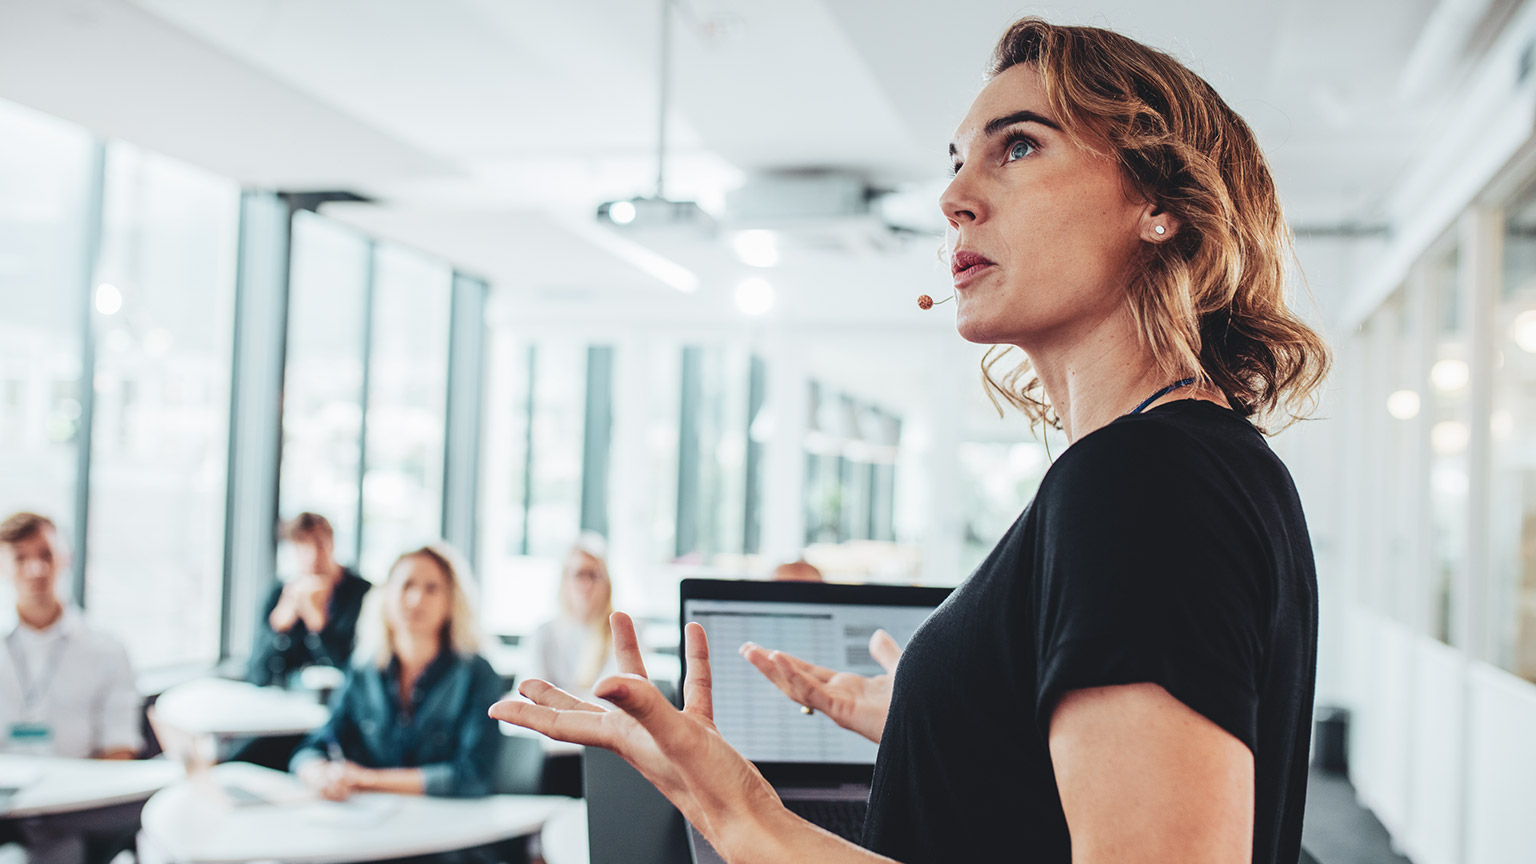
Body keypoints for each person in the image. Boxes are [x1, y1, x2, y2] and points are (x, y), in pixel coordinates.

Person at [491, 17, 1327, 864]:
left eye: (1020, 148)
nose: (953, 197)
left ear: (1160, 204)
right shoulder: (1193, 465)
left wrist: (738, 812)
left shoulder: (1143, 481)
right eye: (958, 160)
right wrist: (952, 716)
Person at [290, 543, 503, 800]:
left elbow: (473, 777)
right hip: (372, 823)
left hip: (447, 827)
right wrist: (317, 773)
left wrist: (368, 779)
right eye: (406, 586)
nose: (416, 599)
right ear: (386, 596)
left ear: (451, 601)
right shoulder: (363, 670)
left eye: (431, 588)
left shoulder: (477, 674)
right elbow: (314, 747)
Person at [0, 512, 143, 864]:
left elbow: (120, 749)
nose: (36, 569)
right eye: (21, 558)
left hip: (75, 806)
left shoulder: (106, 649)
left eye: (46, 555)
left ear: (66, 558)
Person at [247, 512, 372, 687]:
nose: (312, 555)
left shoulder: (364, 595)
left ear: (332, 544)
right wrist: (279, 628)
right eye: (303, 546)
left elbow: (361, 673)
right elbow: (256, 674)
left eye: (319, 544)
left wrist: (319, 626)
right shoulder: (278, 594)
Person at [527, 533, 616, 695]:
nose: (586, 584)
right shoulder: (544, 633)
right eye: (578, 574)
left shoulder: (620, 633)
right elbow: (530, 694)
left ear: (607, 582)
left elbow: (618, 701)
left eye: (593, 575)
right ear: (564, 580)